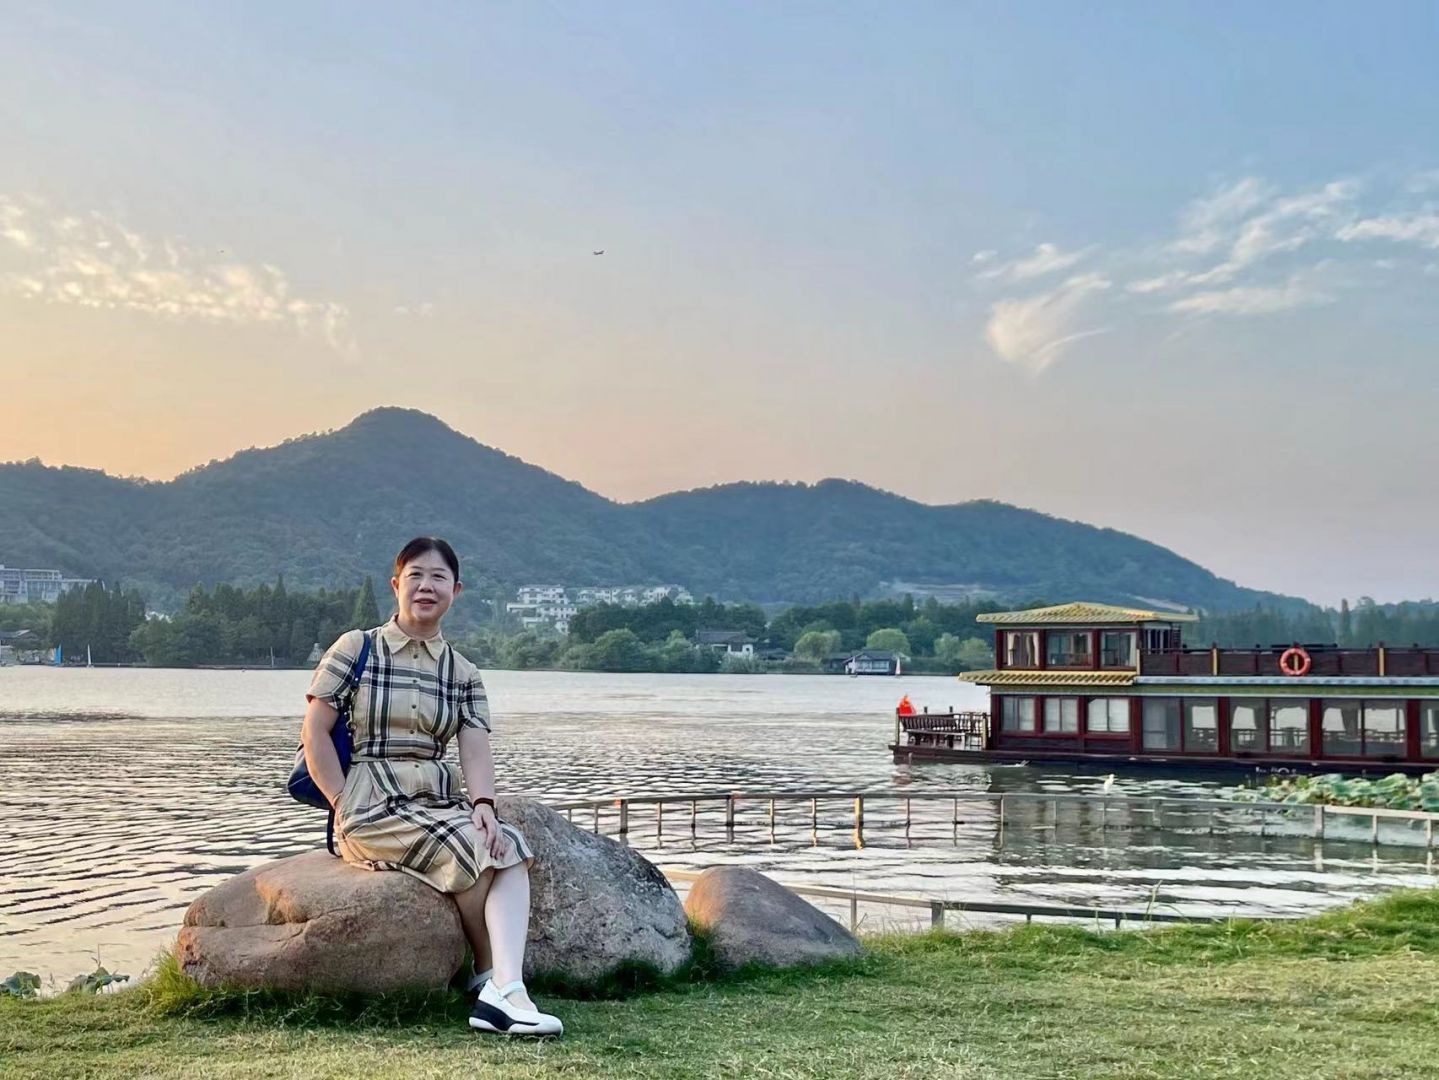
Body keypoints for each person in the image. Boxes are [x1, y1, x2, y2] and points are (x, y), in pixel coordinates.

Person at [301, 536, 561, 1037]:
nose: (426, 586)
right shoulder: (357, 648)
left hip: (438, 801)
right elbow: (314, 731)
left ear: (455, 590)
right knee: (475, 854)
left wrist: (483, 804)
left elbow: (475, 747)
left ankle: (499, 985)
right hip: (371, 803)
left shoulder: (463, 672)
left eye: (439, 577)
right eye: (415, 575)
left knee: (504, 844)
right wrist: (340, 801)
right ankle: (500, 986)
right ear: (396, 585)